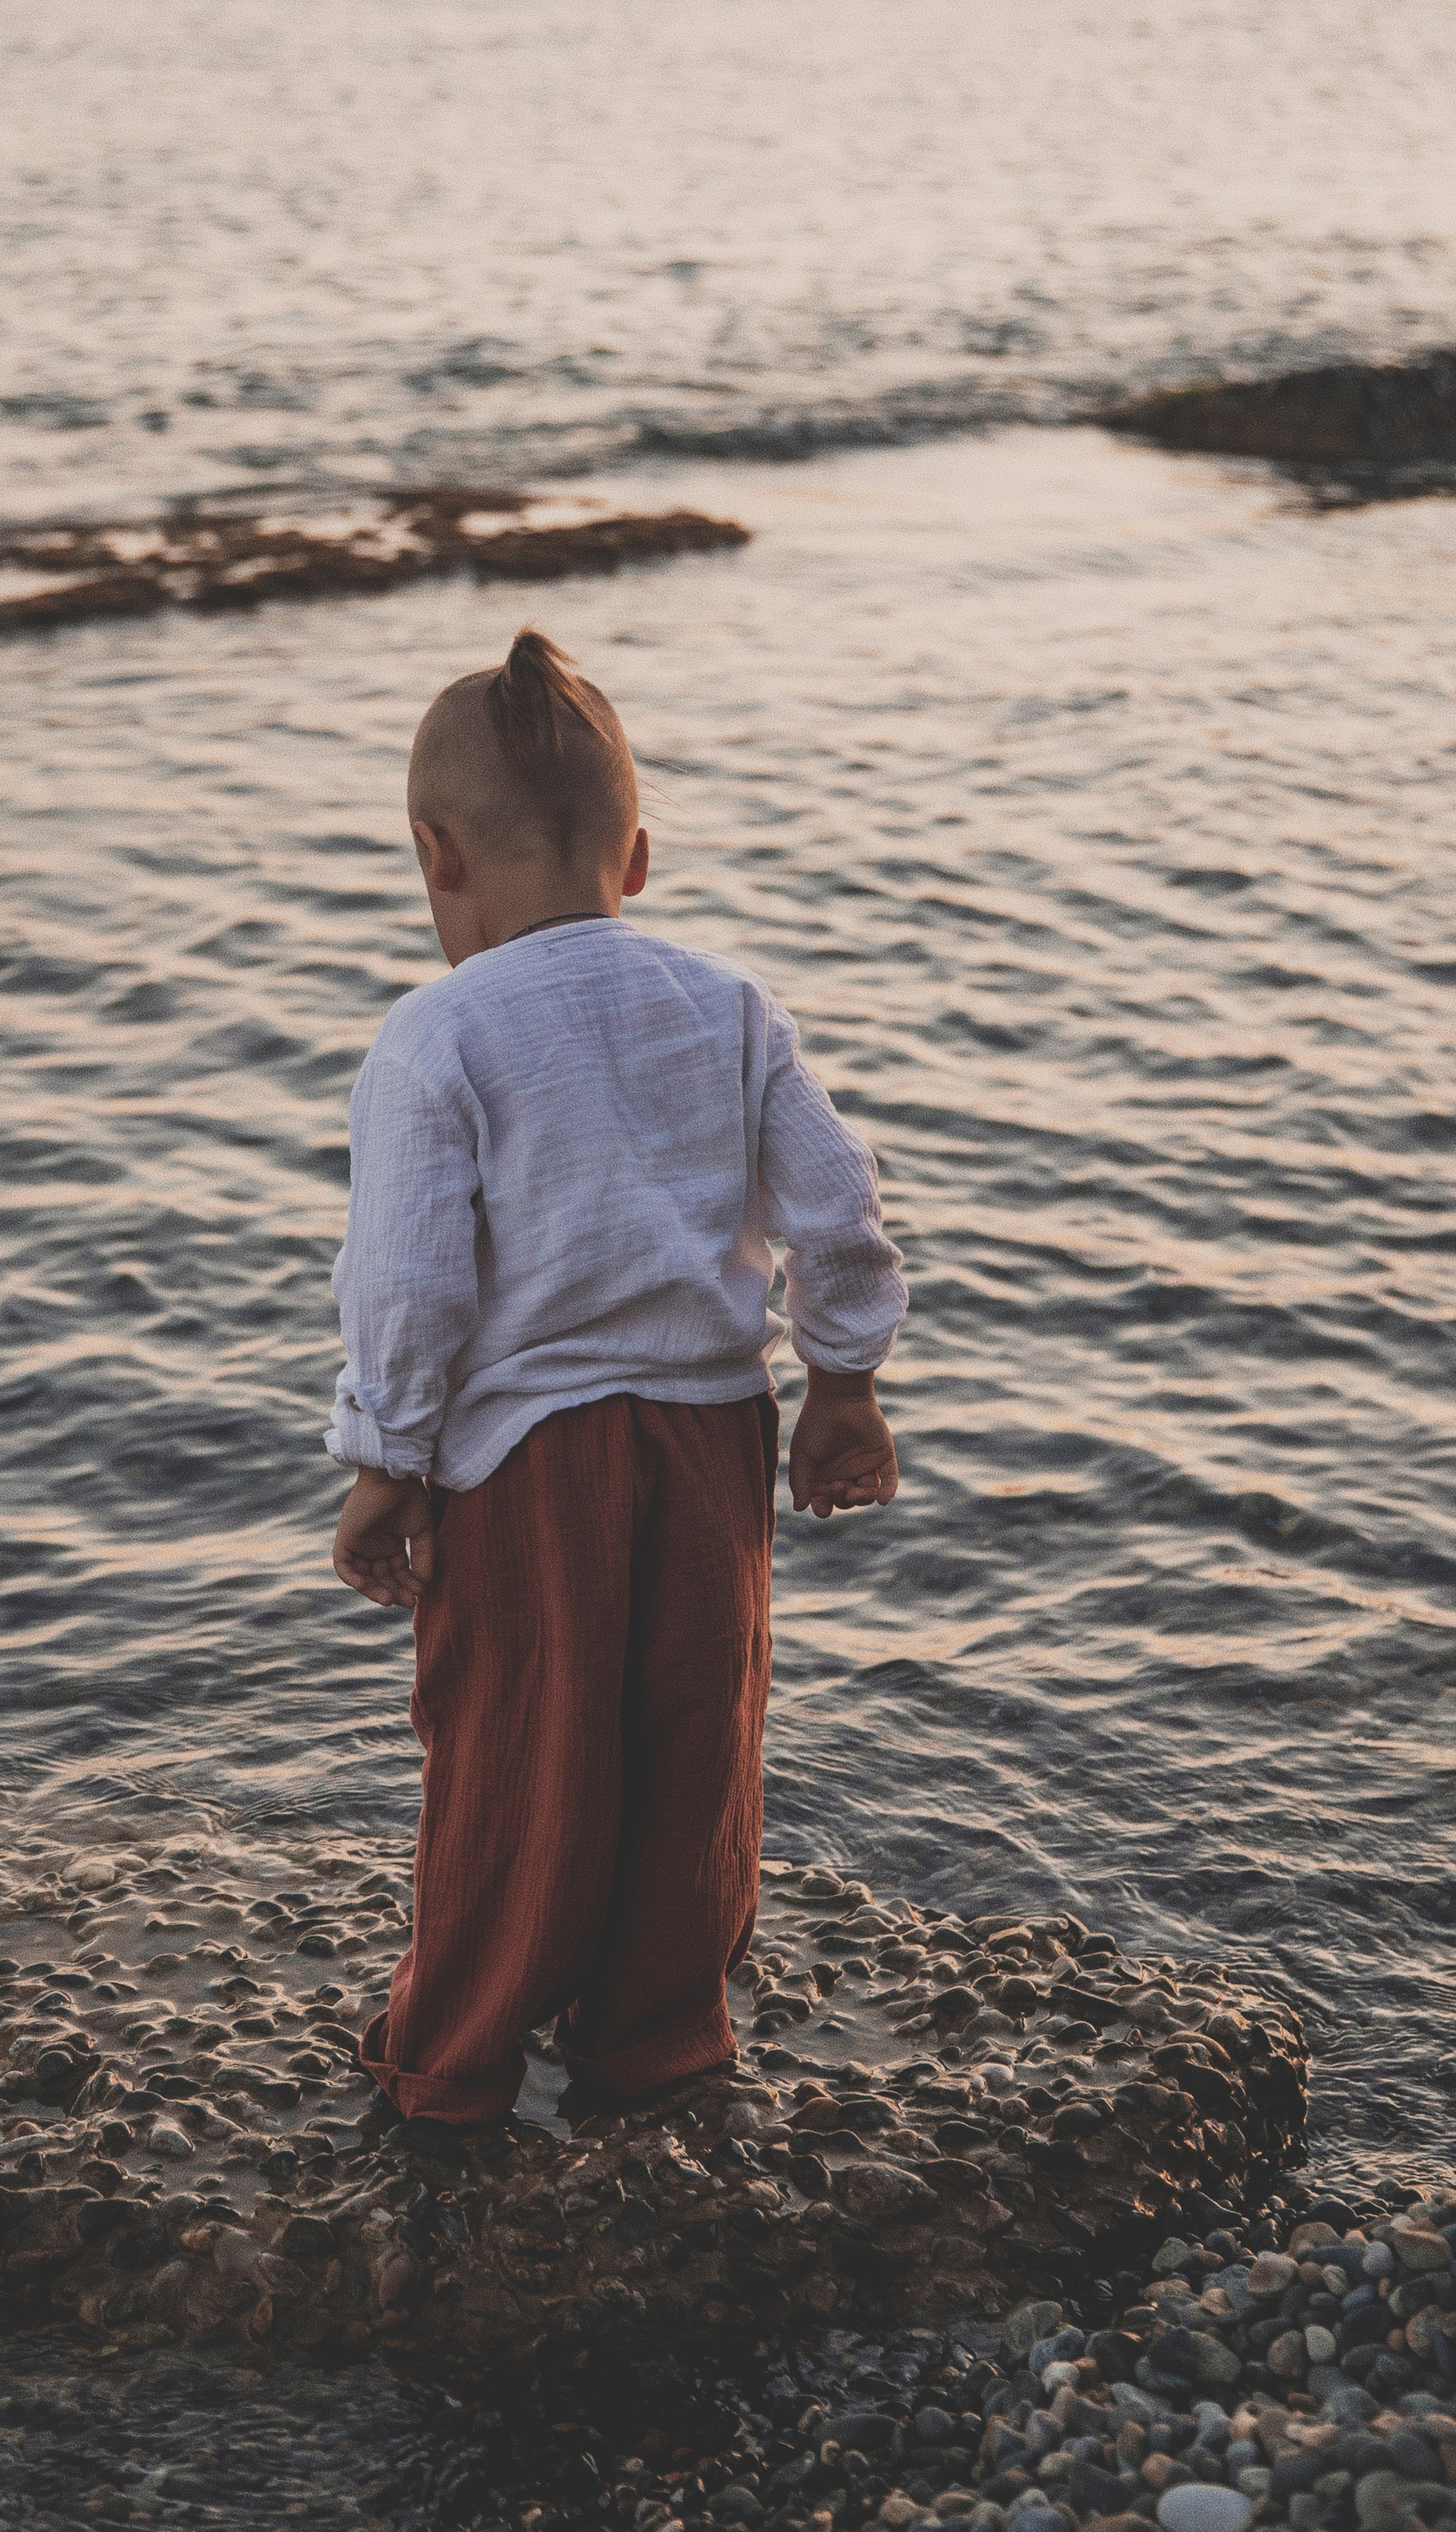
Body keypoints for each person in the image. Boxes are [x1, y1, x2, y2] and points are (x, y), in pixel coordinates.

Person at [326, 626, 907, 2128]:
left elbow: (408, 1285)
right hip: (715, 1435)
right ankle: (654, 2039)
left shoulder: (436, 1037)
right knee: (690, 1736)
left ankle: (451, 2063)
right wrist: (842, 1383)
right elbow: (838, 1206)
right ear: (636, 856)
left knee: (520, 1747)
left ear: (437, 856)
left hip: (532, 1462)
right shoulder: (728, 1007)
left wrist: (387, 1462)